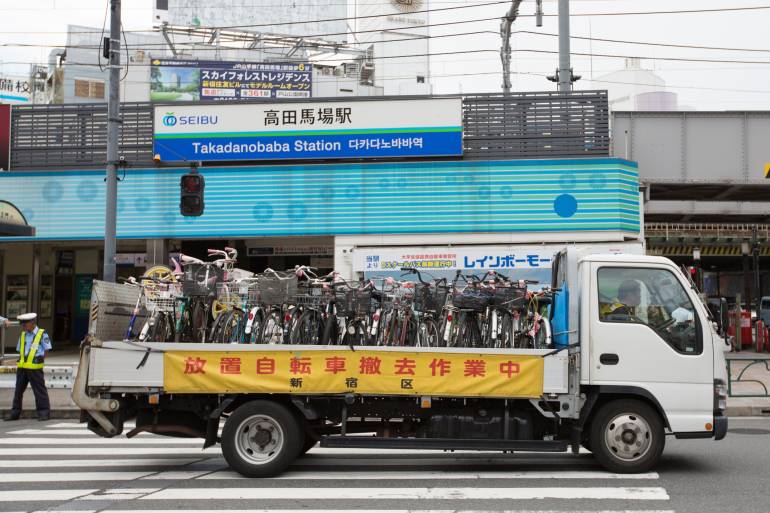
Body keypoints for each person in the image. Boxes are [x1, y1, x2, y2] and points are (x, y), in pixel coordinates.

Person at [4, 313, 51, 421]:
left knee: (39, 391)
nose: (23, 326)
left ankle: (44, 413)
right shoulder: (23, 335)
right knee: (18, 391)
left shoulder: (42, 334)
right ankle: (15, 413)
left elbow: (46, 350)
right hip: (22, 368)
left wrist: (38, 359)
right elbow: (20, 351)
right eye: (22, 324)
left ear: (33, 323)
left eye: (25, 324)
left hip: (35, 368)